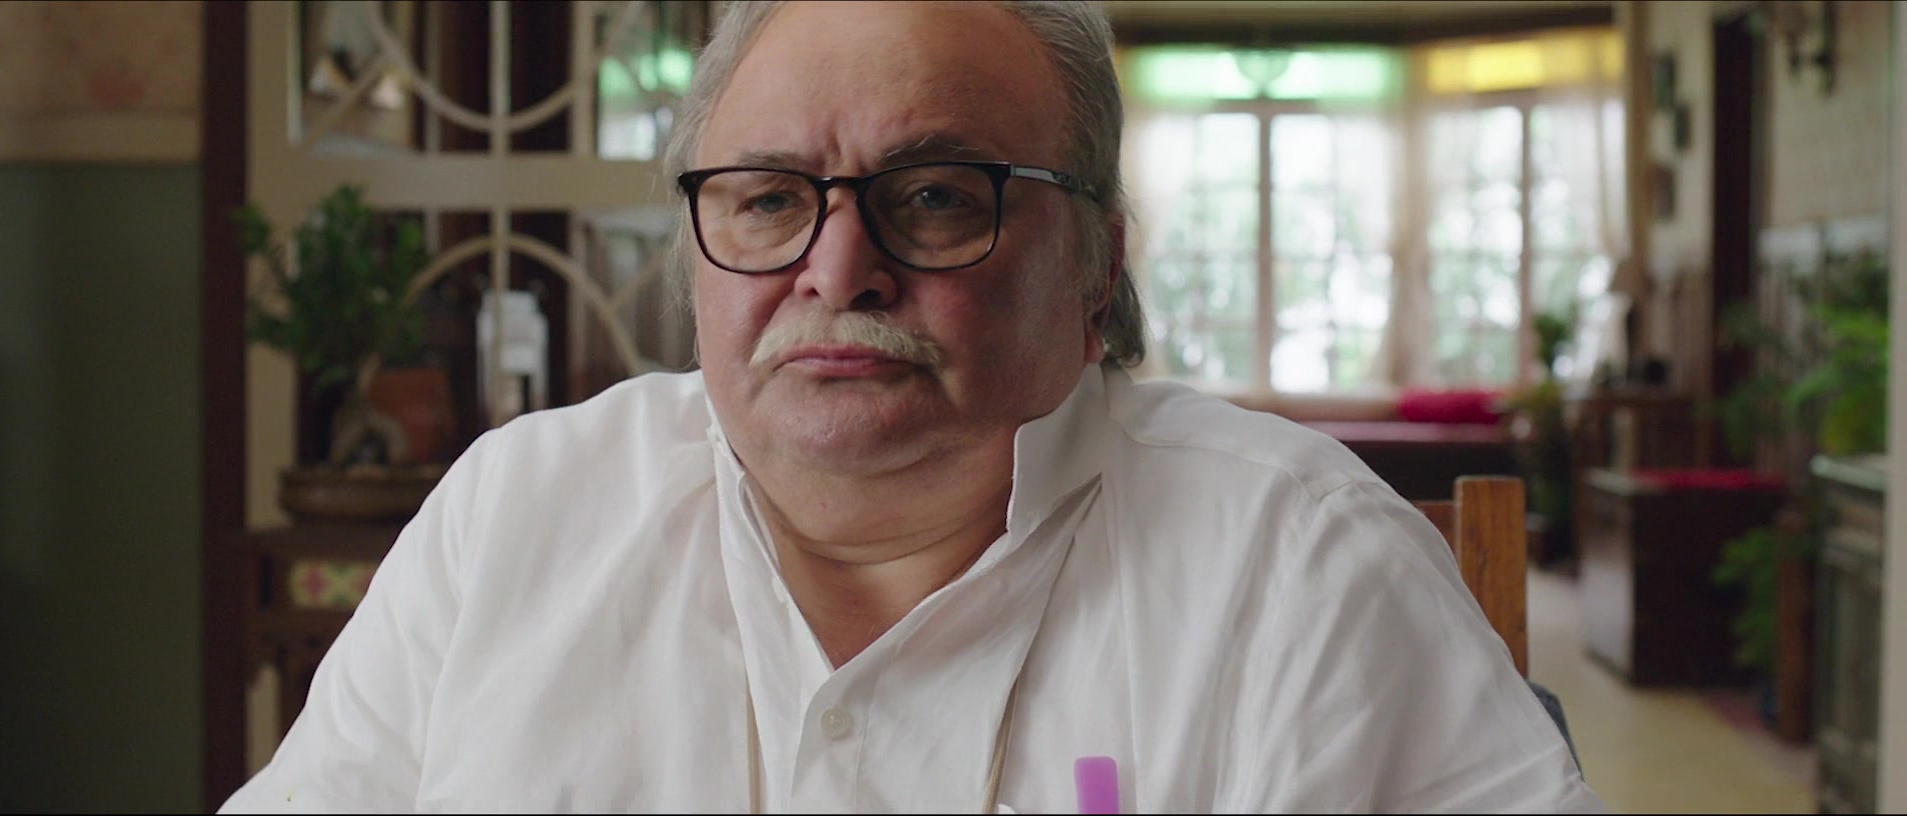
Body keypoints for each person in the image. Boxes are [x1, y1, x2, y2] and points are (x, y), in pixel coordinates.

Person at [223, 1, 1602, 812]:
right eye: (768, 199)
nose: (837, 268)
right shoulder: (513, 516)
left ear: (1098, 263)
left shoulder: (1300, 565)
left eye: (936, 197)